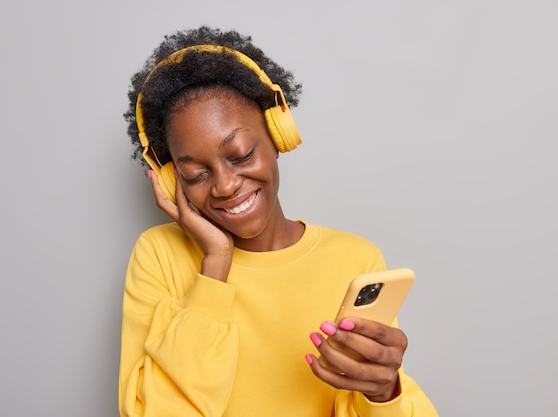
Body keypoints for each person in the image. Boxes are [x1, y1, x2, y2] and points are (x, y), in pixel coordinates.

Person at [119, 25, 438, 417]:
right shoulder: (159, 256)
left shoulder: (355, 259)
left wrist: (384, 393)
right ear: (172, 182)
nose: (224, 185)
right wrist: (215, 265)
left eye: (240, 154)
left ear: (277, 136)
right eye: (196, 175)